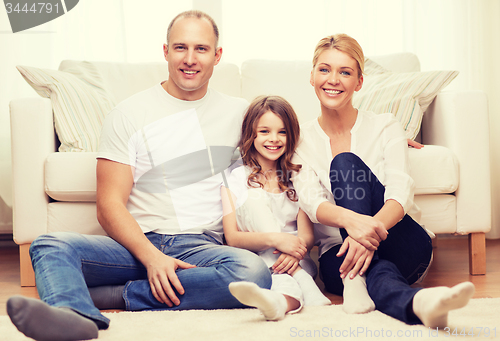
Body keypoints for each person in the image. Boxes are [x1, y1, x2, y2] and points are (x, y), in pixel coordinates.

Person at [7, 10, 272, 341]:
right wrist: (152, 258)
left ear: (217, 56)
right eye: (180, 48)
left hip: (202, 247)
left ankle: (111, 297)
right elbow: (108, 204)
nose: (190, 59)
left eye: (201, 49)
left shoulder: (240, 113)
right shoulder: (128, 113)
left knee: (253, 272)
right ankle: (70, 318)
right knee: (50, 244)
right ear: (165, 51)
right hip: (137, 243)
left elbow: (275, 173)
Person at [292, 33, 475, 327]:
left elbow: (399, 193)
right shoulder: (299, 138)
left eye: (345, 72)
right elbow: (311, 201)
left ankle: (356, 277)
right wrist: (355, 225)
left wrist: (362, 235)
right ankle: (417, 303)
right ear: (312, 76)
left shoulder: (386, 125)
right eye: (324, 69)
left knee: (345, 164)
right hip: (337, 258)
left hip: (403, 244)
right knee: (376, 271)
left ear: (359, 82)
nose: (333, 79)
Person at [220, 96, 331, 321]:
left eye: (282, 132)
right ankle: (293, 292)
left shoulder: (296, 177)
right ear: (250, 135)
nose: (274, 139)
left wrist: (293, 253)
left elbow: (307, 236)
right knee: (253, 197)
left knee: (284, 279)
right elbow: (231, 237)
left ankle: (280, 300)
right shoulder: (235, 177)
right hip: (261, 261)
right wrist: (275, 241)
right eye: (264, 131)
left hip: (297, 259)